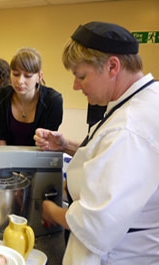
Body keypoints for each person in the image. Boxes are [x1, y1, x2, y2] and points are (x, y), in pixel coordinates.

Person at [34, 21, 159, 264]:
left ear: (113, 66)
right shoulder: (145, 100)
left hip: (118, 255)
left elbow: (94, 224)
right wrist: (66, 144)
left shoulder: (130, 127)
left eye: (81, 76)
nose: (75, 85)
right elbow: (111, 154)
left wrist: (50, 210)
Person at [0, 47, 63, 146]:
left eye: (28, 76)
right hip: (8, 156)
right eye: (16, 74)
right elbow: (0, 137)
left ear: (39, 77)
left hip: (39, 156)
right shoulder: (1, 96)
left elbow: (46, 143)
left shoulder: (53, 100)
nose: (20, 81)